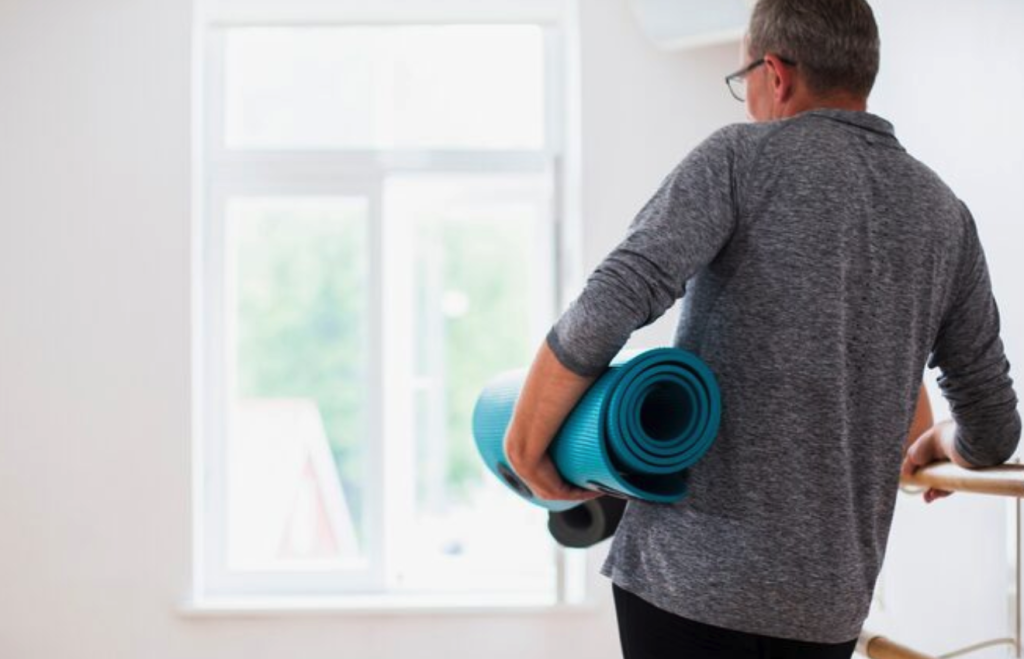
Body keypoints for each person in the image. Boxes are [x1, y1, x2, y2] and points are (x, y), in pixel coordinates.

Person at [501, 0, 1022, 656]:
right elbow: (994, 428)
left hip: (687, 581)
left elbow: (616, 296)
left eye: (743, 79)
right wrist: (942, 438)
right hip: (824, 606)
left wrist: (525, 444)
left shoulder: (739, 159)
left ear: (775, 75)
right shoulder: (944, 215)